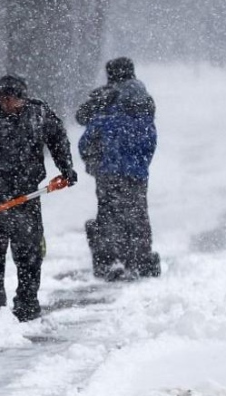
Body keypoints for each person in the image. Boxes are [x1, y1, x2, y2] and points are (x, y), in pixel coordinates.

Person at [0, 75, 78, 322]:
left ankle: (27, 302)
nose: (9, 104)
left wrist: (66, 168)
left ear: (22, 97)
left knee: (30, 252)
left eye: (14, 99)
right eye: (4, 99)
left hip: (27, 196)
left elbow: (58, 138)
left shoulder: (38, 114)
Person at [76, 57, 160, 281]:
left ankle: (109, 260)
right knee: (137, 213)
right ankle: (140, 260)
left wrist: (94, 162)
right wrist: (141, 161)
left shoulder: (107, 101)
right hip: (137, 171)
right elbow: (149, 138)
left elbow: (87, 132)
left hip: (109, 170)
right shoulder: (145, 102)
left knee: (109, 214)